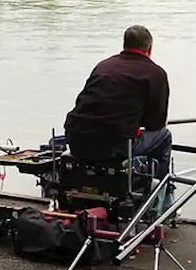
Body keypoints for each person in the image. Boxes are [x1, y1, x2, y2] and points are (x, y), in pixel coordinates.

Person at [63, 25, 172, 176]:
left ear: (125, 45)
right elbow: (156, 123)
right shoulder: (156, 73)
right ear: (150, 49)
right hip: (113, 147)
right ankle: (160, 187)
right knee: (164, 136)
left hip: (75, 139)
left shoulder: (104, 65)